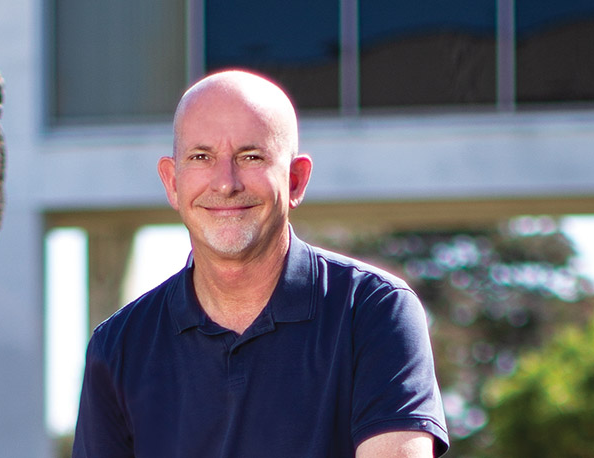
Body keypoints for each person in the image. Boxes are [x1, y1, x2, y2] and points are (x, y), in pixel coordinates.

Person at [71, 70, 449, 457]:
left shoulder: (372, 311)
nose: (225, 183)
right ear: (172, 182)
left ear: (297, 180)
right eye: (201, 157)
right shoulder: (118, 346)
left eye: (250, 157)